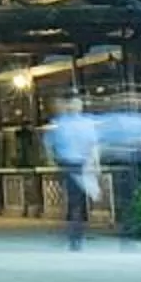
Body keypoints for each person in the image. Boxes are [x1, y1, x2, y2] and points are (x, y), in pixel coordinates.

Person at [46, 99, 102, 250]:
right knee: (79, 199)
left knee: (73, 199)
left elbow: (49, 145)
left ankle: (74, 231)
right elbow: (93, 145)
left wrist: (52, 160)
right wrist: (96, 164)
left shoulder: (60, 123)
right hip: (79, 164)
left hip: (68, 164)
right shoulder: (85, 123)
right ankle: (77, 231)